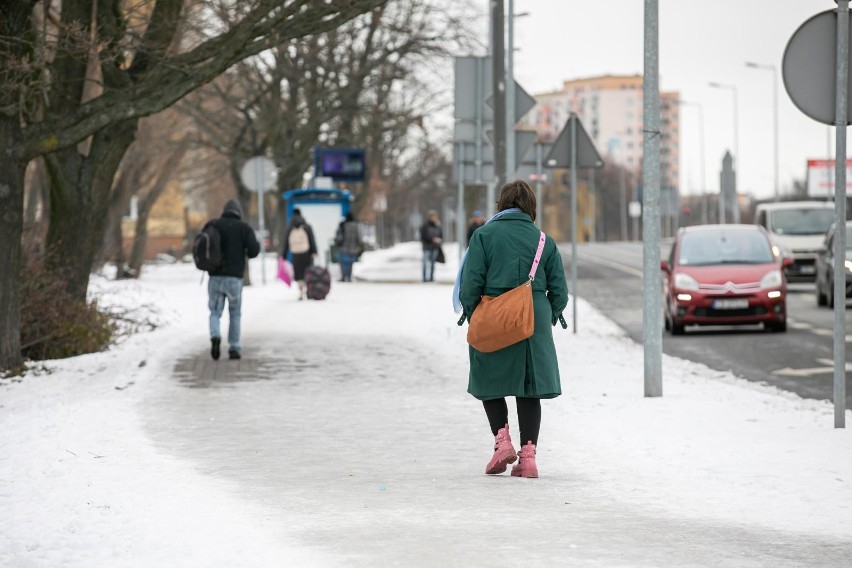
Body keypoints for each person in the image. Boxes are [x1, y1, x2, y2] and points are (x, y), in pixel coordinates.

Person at [457, 180, 568, 478]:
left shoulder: (483, 235)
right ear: (531, 206)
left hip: (494, 311)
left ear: (501, 204)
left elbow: (471, 284)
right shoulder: (545, 240)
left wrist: (472, 312)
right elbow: (560, 291)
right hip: (534, 318)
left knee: (487, 376)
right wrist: (550, 315)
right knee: (529, 386)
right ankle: (528, 457)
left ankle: (502, 442)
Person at [207, 199, 260, 361]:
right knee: (235, 313)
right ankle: (234, 347)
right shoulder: (244, 228)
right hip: (235, 278)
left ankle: (215, 336)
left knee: (215, 311)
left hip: (215, 276)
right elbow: (254, 251)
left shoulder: (213, 225)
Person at [282, 208, 317, 300]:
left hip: (296, 254)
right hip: (306, 253)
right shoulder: (307, 226)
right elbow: (312, 239)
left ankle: (300, 291)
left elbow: (286, 243)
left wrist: (284, 255)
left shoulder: (290, 228)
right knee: (308, 271)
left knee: (299, 273)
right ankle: (308, 289)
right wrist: (314, 251)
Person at [335, 212, 362, 282]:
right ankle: (349, 277)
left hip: (343, 248)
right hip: (353, 249)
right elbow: (359, 237)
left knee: (343, 263)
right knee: (350, 264)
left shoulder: (343, 225)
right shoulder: (356, 226)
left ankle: (343, 277)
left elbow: (338, 236)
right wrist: (358, 246)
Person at [419, 209, 443, 282]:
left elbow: (441, 235)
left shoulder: (438, 225)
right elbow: (423, 236)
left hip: (435, 247)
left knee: (433, 263)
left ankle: (431, 278)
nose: (435, 218)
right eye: (433, 216)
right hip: (427, 247)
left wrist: (439, 240)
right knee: (425, 263)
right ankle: (424, 278)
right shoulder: (425, 226)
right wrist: (431, 239)